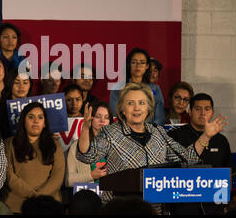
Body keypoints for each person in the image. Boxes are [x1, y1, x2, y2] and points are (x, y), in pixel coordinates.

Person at [77, 83, 227, 209]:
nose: (137, 108)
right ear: (122, 109)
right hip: (119, 209)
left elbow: (188, 158)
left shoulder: (158, 132)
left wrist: (206, 136)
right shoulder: (110, 132)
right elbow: (87, 155)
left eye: (141, 103)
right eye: (131, 103)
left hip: (154, 209)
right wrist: (85, 129)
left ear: (148, 108)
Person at [167, 93, 235, 215]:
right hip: (182, 204)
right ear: (190, 112)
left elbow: (229, 173)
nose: (203, 113)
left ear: (212, 112)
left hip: (213, 206)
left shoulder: (221, 140)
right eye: (198, 109)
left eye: (207, 109)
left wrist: (225, 204)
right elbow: (170, 170)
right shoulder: (175, 135)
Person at [3, 102, 65, 213]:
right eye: (31, 117)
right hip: (16, 205)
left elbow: (58, 175)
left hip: (49, 205)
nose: (36, 121)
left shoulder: (54, 144)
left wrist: (40, 197)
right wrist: (32, 195)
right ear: (23, 121)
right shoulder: (9, 143)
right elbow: (8, 175)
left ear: (44, 123)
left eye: (40, 117)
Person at [109, 47, 165, 126]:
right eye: (134, 62)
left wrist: (150, 132)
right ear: (129, 64)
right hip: (124, 132)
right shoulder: (117, 88)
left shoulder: (155, 89)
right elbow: (115, 115)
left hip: (150, 133)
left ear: (147, 66)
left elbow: (160, 118)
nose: (138, 66)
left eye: (142, 62)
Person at [65, 101, 113, 187]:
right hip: (87, 196)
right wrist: (91, 176)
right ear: (90, 118)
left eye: (106, 117)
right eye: (98, 116)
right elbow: (68, 180)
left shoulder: (116, 145)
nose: (102, 120)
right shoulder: (76, 146)